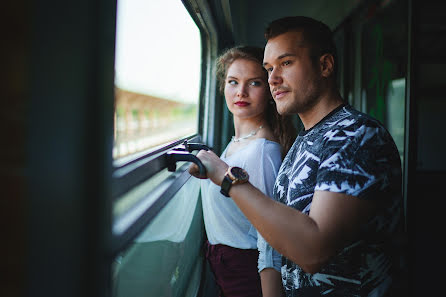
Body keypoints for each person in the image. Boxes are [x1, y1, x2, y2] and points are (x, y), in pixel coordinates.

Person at [190, 16, 404, 297]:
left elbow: (314, 250)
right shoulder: (302, 142)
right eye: (268, 69)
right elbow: (272, 243)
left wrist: (227, 176)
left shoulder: (355, 135)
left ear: (325, 65)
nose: (273, 79)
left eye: (286, 63)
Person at [201, 46, 296, 297]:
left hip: (246, 272)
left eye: (254, 83)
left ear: (269, 91)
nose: (240, 92)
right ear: (223, 86)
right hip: (225, 266)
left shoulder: (262, 151)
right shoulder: (237, 142)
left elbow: (270, 237)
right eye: (233, 82)